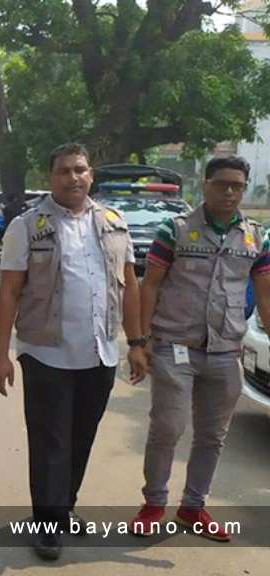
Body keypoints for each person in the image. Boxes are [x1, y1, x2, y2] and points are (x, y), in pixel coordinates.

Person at [0, 143, 146, 561]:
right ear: (50, 177)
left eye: (80, 169)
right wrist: (1, 354)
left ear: (91, 174)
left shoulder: (114, 222)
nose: (73, 177)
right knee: (50, 442)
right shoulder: (27, 225)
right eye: (63, 171)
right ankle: (46, 523)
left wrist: (137, 343)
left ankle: (64, 506)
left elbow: (130, 284)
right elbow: (9, 291)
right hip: (46, 353)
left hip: (99, 353)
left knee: (81, 437)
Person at [130, 156, 270, 541]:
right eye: (222, 184)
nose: (230, 192)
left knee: (213, 435)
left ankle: (193, 506)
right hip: (175, 346)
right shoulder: (173, 230)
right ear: (205, 185)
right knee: (168, 428)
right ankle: (153, 503)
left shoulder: (256, 237)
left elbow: (264, 293)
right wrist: (140, 342)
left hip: (226, 352)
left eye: (237, 186)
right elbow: (151, 286)